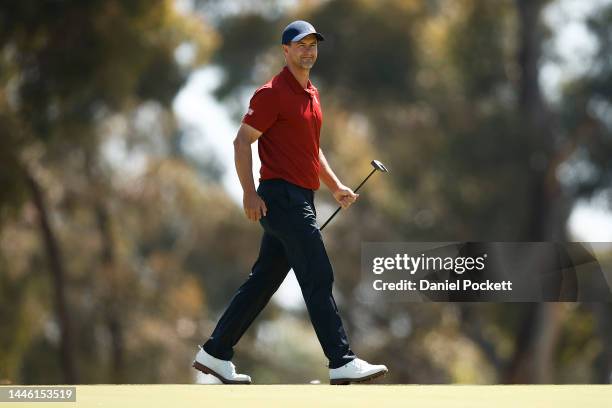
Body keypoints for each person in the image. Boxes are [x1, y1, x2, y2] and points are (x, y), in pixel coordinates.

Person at [193, 20, 388, 385]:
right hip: (280, 197)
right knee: (317, 273)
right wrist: (249, 193)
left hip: (303, 197)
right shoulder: (272, 93)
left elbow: (312, 150)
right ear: (285, 51)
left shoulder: (312, 96)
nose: (308, 50)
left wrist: (335, 186)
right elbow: (241, 142)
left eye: (313, 44)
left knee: (263, 281)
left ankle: (216, 352)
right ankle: (341, 360)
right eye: (301, 45)